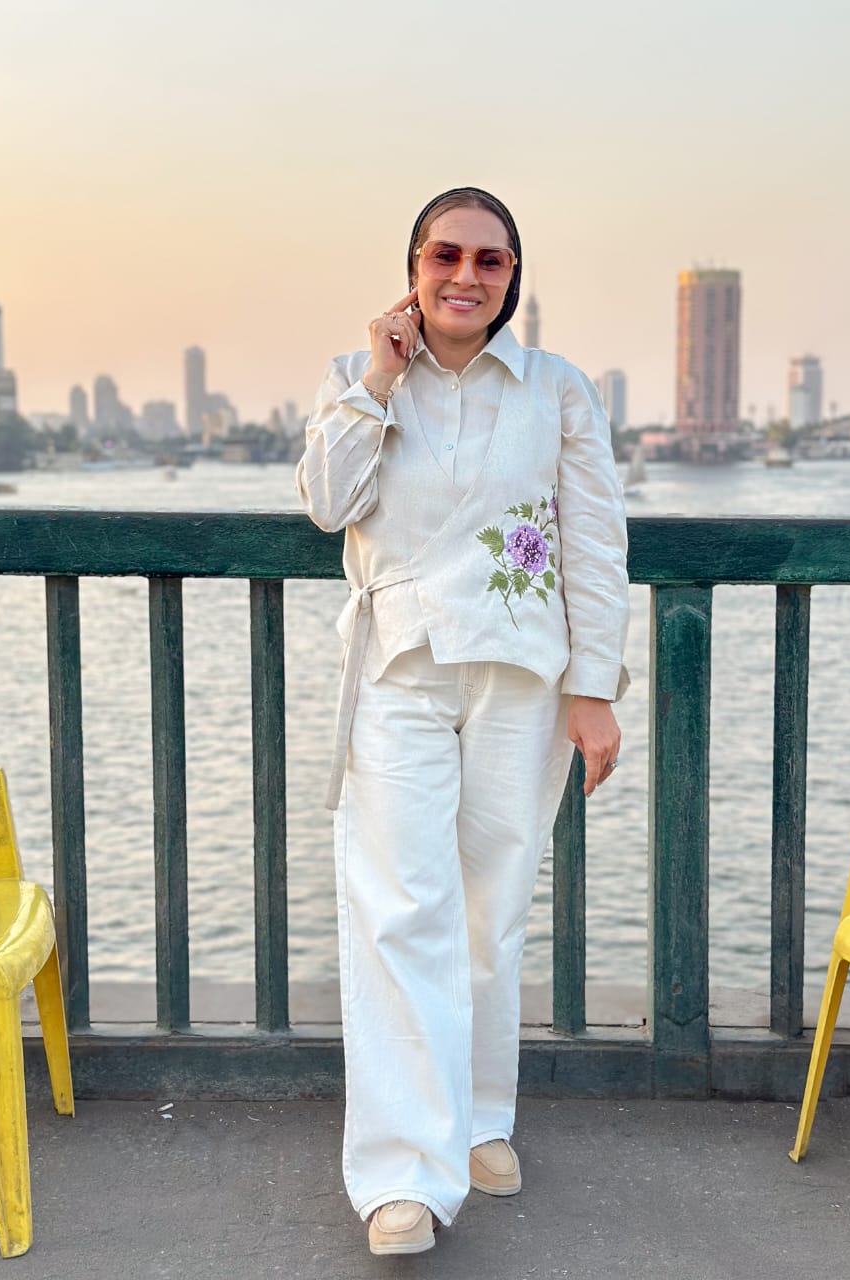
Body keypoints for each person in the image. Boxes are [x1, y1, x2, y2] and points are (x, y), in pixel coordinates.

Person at [296, 187, 629, 1257]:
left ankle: (482, 1113)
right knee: (402, 910)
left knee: (493, 905)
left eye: (491, 259)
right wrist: (381, 378)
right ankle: (402, 1176)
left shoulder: (558, 391)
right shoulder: (357, 381)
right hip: (397, 667)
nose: (467, 275)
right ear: (414, 266)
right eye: (447, 254)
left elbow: (593, 542)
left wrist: (594, 688)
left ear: (511, 276)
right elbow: (325, 500)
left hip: (521, 678)